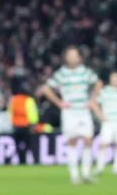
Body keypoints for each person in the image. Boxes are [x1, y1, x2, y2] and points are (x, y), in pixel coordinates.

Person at [38, 46, 101, 184]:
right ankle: (74, 175)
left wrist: (93, 100)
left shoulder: (85, 72)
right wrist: (59, 102)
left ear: (79, 57)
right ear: (66, 58)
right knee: (72, 140)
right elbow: (46, 88)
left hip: (83, 110)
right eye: (70, 55)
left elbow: (98, 83)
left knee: (88, 139)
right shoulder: (61, 74)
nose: (73, 58)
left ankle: (86, 173)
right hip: (70, 112)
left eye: (75, 55)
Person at [8, 84, 39, 165]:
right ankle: (29, 161)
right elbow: (32, 113)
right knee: (28, 145)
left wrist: (12, 122)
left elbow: (10, 112)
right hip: (26, 126)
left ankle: (20, 160)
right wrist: (34, 124)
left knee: (18, 146)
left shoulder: (13, 99)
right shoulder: (28, 100)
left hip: (15, 127)